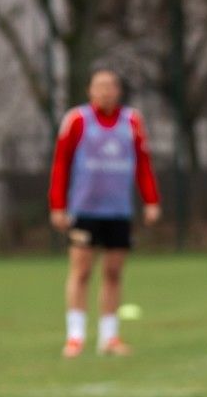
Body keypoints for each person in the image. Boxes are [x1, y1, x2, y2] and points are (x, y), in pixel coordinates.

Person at [49, 67, 160, 358]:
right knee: (81, 271)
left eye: (110, 86)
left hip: (118, 211)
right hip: (85, 209)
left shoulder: (132, 121)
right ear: (90, 91)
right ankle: (75, 337)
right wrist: (57, 205)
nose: (105, 91)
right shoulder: (77, 120)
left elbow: (143, 163)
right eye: (99, 86)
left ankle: (109, 338)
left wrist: (151, 200)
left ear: (118, 91)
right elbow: (61, 164)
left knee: (113, 272)